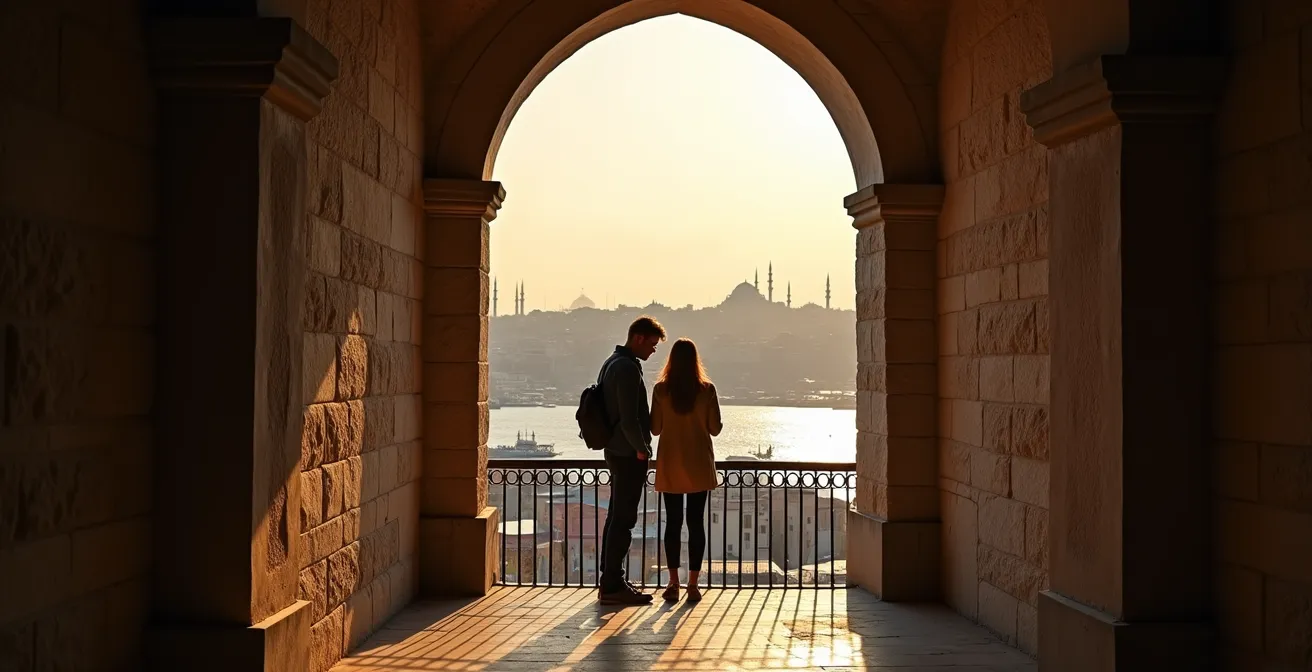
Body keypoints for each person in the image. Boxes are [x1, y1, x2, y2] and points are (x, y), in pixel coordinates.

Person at [596, 316, 666, 605]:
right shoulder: (626, 368)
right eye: (652, 344)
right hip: (628, 454)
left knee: (616, 517)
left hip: (616, 451)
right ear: (638, 338)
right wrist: (643, 450)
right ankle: (613, 584)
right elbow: (629, 419)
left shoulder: (612, 363)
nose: (653, 350)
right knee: (624, 519)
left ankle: (610, 580)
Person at [651, 338, 722, 603]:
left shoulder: (661, 390)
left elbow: (655, 429)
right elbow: (715, 428)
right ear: (695, 361)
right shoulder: (707, 390)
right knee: (695, 524)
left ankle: (673, 582)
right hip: (699, 465)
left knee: (672, 523)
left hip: (670, 463)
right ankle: (693, 584)